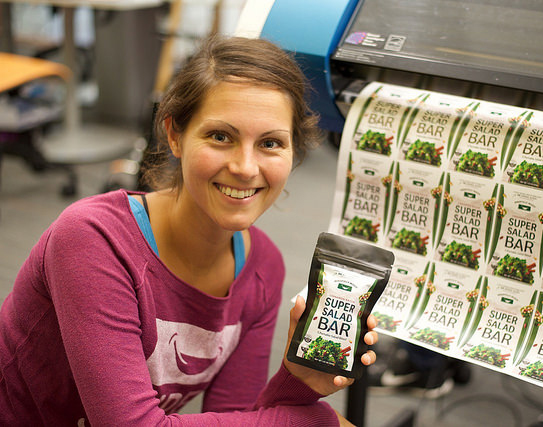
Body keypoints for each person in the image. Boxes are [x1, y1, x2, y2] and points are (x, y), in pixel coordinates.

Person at [0, 35, 379, 426]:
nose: (246, 167)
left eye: (270, 143)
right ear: (175, 135)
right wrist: (314, 421)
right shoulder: (93, 240)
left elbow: (230, 418)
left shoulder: (262, 268)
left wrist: (298, 382)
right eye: (220, 136)